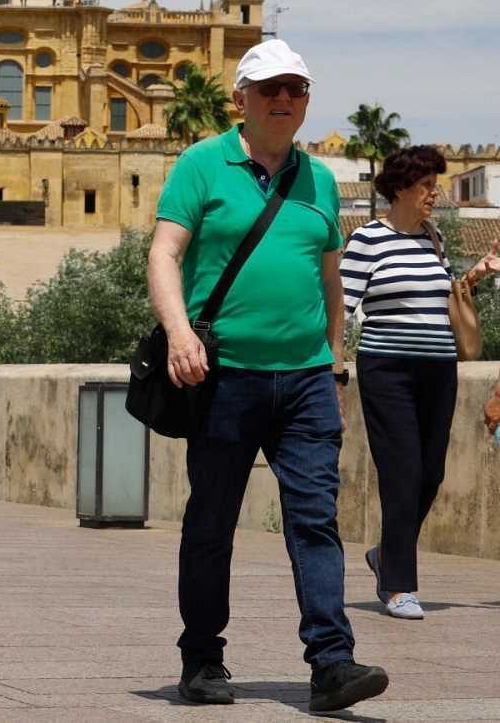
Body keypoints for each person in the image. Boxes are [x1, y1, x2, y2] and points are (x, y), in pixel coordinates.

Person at [147, 39, 387, 713]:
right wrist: (179, 332)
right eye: (271, 89)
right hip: (223, 378)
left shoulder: (318, 182)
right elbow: (163, 256)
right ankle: (202, 659)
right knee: (211, 522)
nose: (285, 100)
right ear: (241, 100)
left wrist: (336, 368)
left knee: (315, 520)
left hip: (308, 381)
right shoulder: (200, 165)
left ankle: (332, 664)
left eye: (297, 90)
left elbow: (331, 282)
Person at [342, 145, 500, 620]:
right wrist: (329, 368)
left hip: (439, 369)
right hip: (386, 369)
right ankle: (397, 585)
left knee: (431, 473)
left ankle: (384, 555)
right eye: (428, 185)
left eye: (437, 185)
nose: (436, 194)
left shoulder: (433, 238)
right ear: (401, 188)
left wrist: (475, 275)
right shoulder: (367, 240)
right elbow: (341, 308)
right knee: (402, 473)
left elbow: (443, 298)